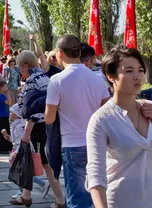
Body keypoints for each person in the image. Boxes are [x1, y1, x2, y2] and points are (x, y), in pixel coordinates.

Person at [86, 46, 152, 208]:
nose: (137, 76)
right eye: (129, 71)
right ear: (111, 76)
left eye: (140, 70)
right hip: (120, 201)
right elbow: (95, 174)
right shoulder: (101, 119)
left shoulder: (151, 108)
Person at [44, 35, 110, 208]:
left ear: (59, 53)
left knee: (78, 200)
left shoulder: (57, 80)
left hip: (72, 144)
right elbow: (107, 112)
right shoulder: (97, 79)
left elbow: (49, 118)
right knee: (98, 196)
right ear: (79, 52)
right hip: (98, 143)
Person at [11, 51, 65, 207]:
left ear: (26, 66)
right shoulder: (43, 77)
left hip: (36, 128)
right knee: (30, 160)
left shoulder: (32, 81)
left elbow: (33, 108)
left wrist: (27, 131)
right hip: (43, 126)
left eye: (20, 67)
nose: (19, 70)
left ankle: (60, 199)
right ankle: (26, 196)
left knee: (46, 164)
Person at [5, 104, 48, 200]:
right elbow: (15, 139)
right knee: (22, 172)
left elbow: (22, 140)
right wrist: (8, 137)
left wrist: (18, 151)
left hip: (19, 150)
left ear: (16, 114)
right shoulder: (15, 125)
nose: (9, 114)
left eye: (11, 112)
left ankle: (22, 192)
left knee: (20, 172)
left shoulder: (19, 126)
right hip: (16, 149)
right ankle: (42, 184)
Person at [0, 80, 13, 154]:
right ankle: (3, 147)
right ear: (1, 88)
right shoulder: (1, 96)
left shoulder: (2, 95)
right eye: (5, 86)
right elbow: (10, 103)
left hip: (4, 116)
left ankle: (8, 146)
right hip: (2, 116)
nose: (7, 87)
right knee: (3, 132)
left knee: (6, 131)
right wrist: (8, 95)